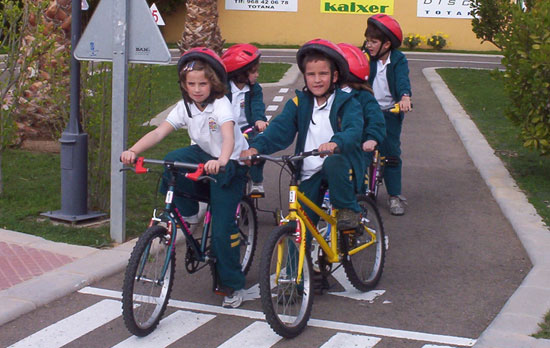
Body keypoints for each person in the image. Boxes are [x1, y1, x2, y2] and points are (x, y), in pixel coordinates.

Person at [120, 47, 249, 308]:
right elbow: (159, 133)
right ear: (184, 85)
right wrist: (133, 150)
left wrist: (222, 160)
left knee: (223, 231)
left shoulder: (221, 105)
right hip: (202, 155)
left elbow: (227, 136)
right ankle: (188, 215)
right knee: (171, 161)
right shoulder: (185, 107)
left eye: (203, 83)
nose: (198, 89)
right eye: (191, 84)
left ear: (214, 83)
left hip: (229, 166)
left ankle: (233, 286)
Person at [240, 39, 365, 232]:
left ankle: (348, 210)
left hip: (341, 170)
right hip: (309, 172)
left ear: (334, 76)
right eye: (311, 74)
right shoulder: (299, 103)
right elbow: (278, 130)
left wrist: (335, 143)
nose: (317, 80)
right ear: (305, 77)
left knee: (333, 162)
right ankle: (296, 261)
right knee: (301, 229)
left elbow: (353, 130)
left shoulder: (347, 103)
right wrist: (257, 148)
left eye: (323, 73)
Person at [362, 14, 412, 216]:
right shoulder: (365, 57)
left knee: (391, 153)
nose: (369, 45)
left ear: (387, 44)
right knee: (361, 151)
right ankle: (358, 194)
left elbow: (402, 81)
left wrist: (405, 97)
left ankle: (394, 195)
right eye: (367, 40)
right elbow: (354, 77)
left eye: (373, 42)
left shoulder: (398, 59)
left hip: (391, 111)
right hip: (368, 111)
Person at [221, 44, 268, 195]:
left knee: (258, 148)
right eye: (253, 72)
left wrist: (259, 120)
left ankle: (257, 181)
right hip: (226, 129)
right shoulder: (223, 89)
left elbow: (257, 106)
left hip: (246, 128)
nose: (257, 75)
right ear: (239, 73)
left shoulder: (254, 89)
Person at [336, 42, 386, 171]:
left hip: (358, 147)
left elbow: (376, 119)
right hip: (330, 146)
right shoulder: (327, 94)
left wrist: (372, 138)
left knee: (357, 177)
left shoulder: (363, 96)